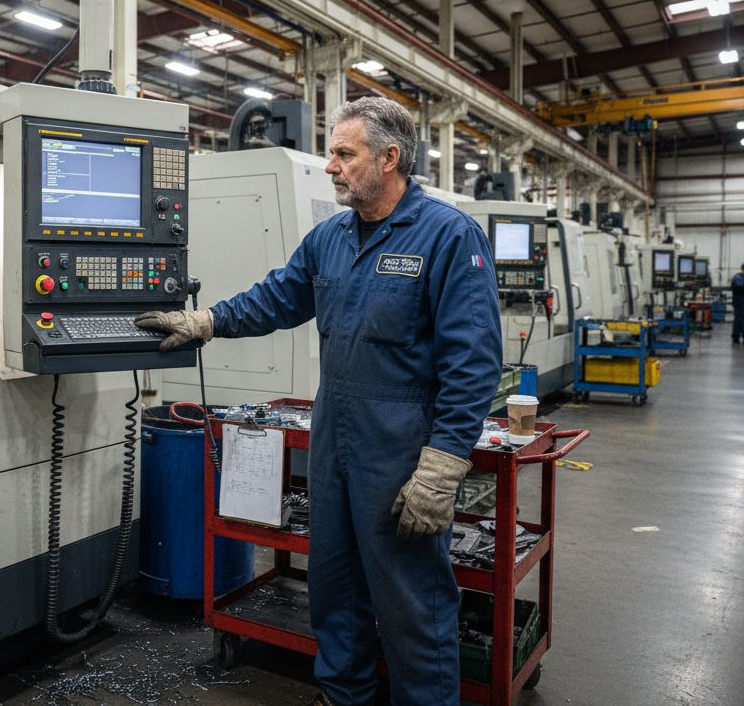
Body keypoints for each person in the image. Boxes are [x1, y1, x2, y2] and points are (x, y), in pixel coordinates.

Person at [136, 97, 503, 706]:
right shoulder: (330, 237)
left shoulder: (447, 236)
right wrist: (206, 321)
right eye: (331, 152)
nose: (331, 165)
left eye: (344, 153)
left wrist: (442, 464)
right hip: (335, 436)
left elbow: (473, 364)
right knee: (334, 591)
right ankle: (344, 697)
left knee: (413, 602)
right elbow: (276, 298)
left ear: (389, 158)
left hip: (402, 447)